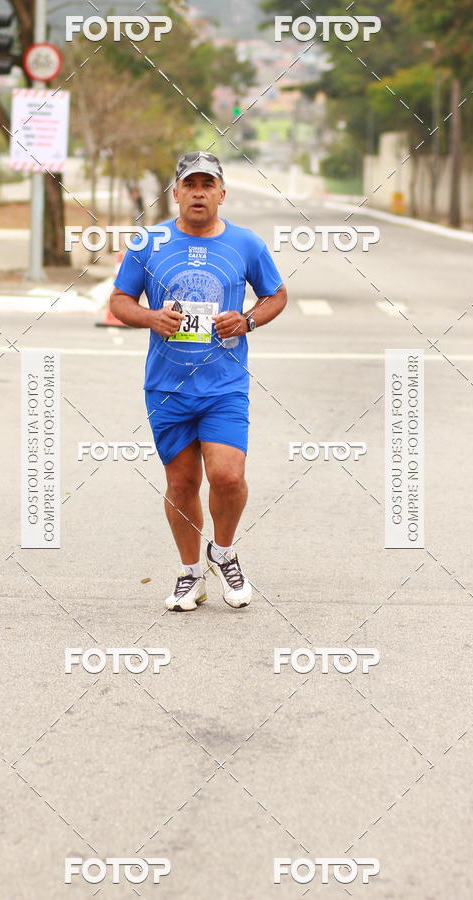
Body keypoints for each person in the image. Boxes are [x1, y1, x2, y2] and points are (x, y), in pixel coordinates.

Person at [110, 151, 287, 612]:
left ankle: (223, 552)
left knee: (228, 477)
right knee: (182, 483)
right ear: (176, 193)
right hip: (167, 386)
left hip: (224, 384)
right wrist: (152, 317)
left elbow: (276, 294)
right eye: (191, 185)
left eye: (208, 185)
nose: (199, 192)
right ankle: (191, 573)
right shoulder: (147, 243)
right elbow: (120, 299)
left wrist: (246, 321)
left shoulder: (247, 244)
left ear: (222, 194)